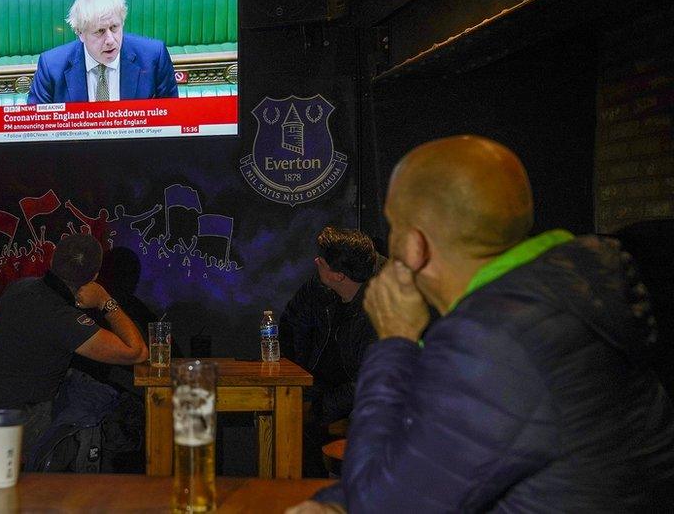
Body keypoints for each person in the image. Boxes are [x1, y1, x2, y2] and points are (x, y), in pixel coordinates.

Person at [291, 135, 674, 513]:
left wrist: (393, 342)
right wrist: (335, 502)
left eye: (394, 227)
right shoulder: (556, 300)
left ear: (413, 243)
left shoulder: (496, 339)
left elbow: (382, 505)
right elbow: (432, 468)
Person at [0, 233, 148, 463]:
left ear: (52, 261)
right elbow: (137, 352)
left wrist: (6, 384)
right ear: (94, 277)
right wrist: (105, 300)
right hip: (27, 426)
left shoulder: (19, 288)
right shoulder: (65, 319)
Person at [278, 227, 382, 477]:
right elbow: (292, 320)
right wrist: (298, 374)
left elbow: (366, 382)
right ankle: (304, 494)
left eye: (322, 261)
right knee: (286, 416)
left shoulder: (380, 312)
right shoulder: (319, 286)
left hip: (367, 393)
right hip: (324, 381)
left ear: (339, 276)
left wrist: (318, 409)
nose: (316, 261)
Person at [27, 0, 179, 104]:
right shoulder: (51, 67)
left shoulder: (154, 56)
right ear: (80, 33)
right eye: (99, 31)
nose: (110, 40)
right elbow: (35, 131)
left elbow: (171, 119)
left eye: (114, 27)